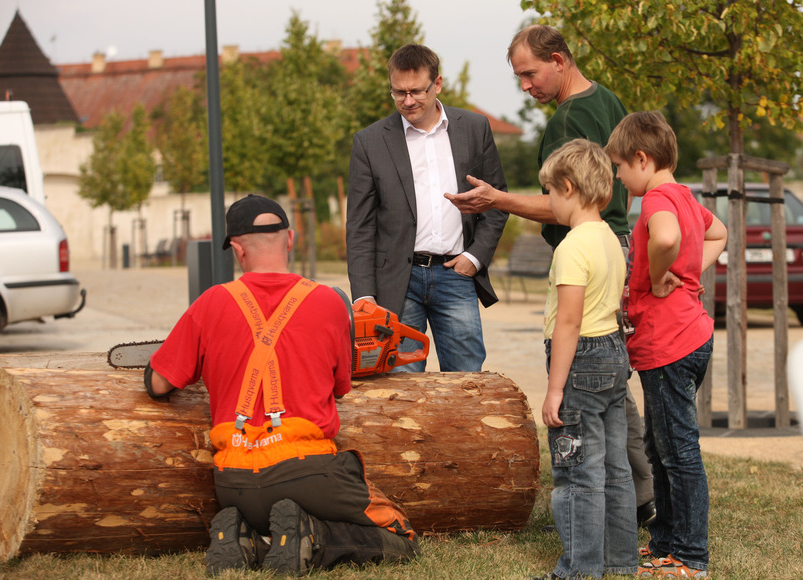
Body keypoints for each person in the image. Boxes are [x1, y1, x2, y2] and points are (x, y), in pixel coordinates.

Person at [445, 24, 655, 526]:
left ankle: (595, 494)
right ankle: (640, 493)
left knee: (582, 370)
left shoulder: (573, 116)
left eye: (529, 74)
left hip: (583, 253)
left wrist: (497, 199)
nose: (525, 86)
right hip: (615, 248)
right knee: (611, 373)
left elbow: (566, 204)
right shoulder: (608, 99)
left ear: (558, 61)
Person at [146, 195, 419, 577]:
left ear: (237, 250)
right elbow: (341, 387)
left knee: (270, 515)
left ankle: (244, 537)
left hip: (233, 482)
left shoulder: (210, 302)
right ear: (290, 239)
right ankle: (315, 538)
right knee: (402, 537)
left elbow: (158, 384)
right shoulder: (329, 302)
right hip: (308, 473)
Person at [604, 111, 727, 578]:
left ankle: (690, 557)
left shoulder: (657, 198)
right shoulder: (685, 196)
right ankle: (664, 544)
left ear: (642, 157)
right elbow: (720, 234)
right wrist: (691, 275)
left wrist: (659, 279)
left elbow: (668, 238)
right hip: (689, 335)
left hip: (669, 345)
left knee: (678, 453)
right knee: (661, 447)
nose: (617, 175)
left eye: (620, 165)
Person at [346, 43, 509, 372]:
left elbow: (496, 199)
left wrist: (475, 257)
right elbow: (360, 225)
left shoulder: (474, 129)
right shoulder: (370, 141)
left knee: (467, 382)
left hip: (457, 276)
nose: (407, 101)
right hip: (397, 282)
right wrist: (364, 295)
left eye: (416, 91)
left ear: (438, 84)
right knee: (399, 388)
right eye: (398, 92)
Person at [536, 139, 636, 580]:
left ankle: (579, 570)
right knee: (615, 468)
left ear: (569, 188)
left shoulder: (572, 246)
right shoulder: (611, 240)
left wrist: (556, 389)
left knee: (577, 472)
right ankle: (619, 559)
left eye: (550, 193)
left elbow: (569, 322)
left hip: (582, 363)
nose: (549, 203)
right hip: (614, 355)